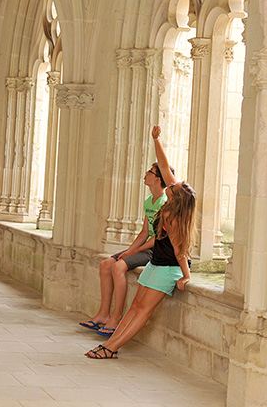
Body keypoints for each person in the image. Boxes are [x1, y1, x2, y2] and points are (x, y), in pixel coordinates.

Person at [86, 125, 196, 359]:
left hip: (169, 269)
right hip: (156, 264)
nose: (169, 184)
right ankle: (111, 344)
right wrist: (157, 140)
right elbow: (164, 167)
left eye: (172, 187)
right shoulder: (171, 203)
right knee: (134, 306)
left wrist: (186, 276)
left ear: (176, 197)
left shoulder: (173, 217)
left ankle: (112, 348)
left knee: (143, 311)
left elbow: (179, 250)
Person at [79, 162, 170, 336]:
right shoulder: (149, 201)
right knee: (106, 264)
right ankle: (103, 314)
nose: (145, 174)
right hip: (145, 245)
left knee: (118, 267)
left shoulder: (165, 202)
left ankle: (116, 318)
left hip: (156, 248)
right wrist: (129, 250)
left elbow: (157, 237)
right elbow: (144, 231)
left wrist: (134, 252)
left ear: (158, 179)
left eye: (150, 172)